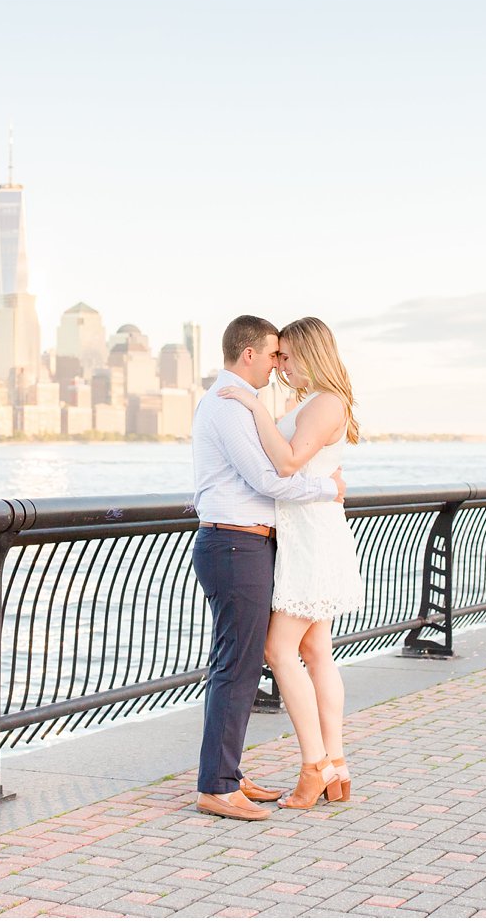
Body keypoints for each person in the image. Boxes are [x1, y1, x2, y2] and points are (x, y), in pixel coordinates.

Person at [190, 315, 345, 822]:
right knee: (238, 664)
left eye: (288, 355)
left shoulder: (248, 402)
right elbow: (268, 478)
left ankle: (229, 773)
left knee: (251, 660)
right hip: (235, 545)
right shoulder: (229, 404)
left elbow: (287, 463)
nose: (280, 364)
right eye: (274, 354)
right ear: (250, 354)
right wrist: (327, 490)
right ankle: (218, 785)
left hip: (253, 544)